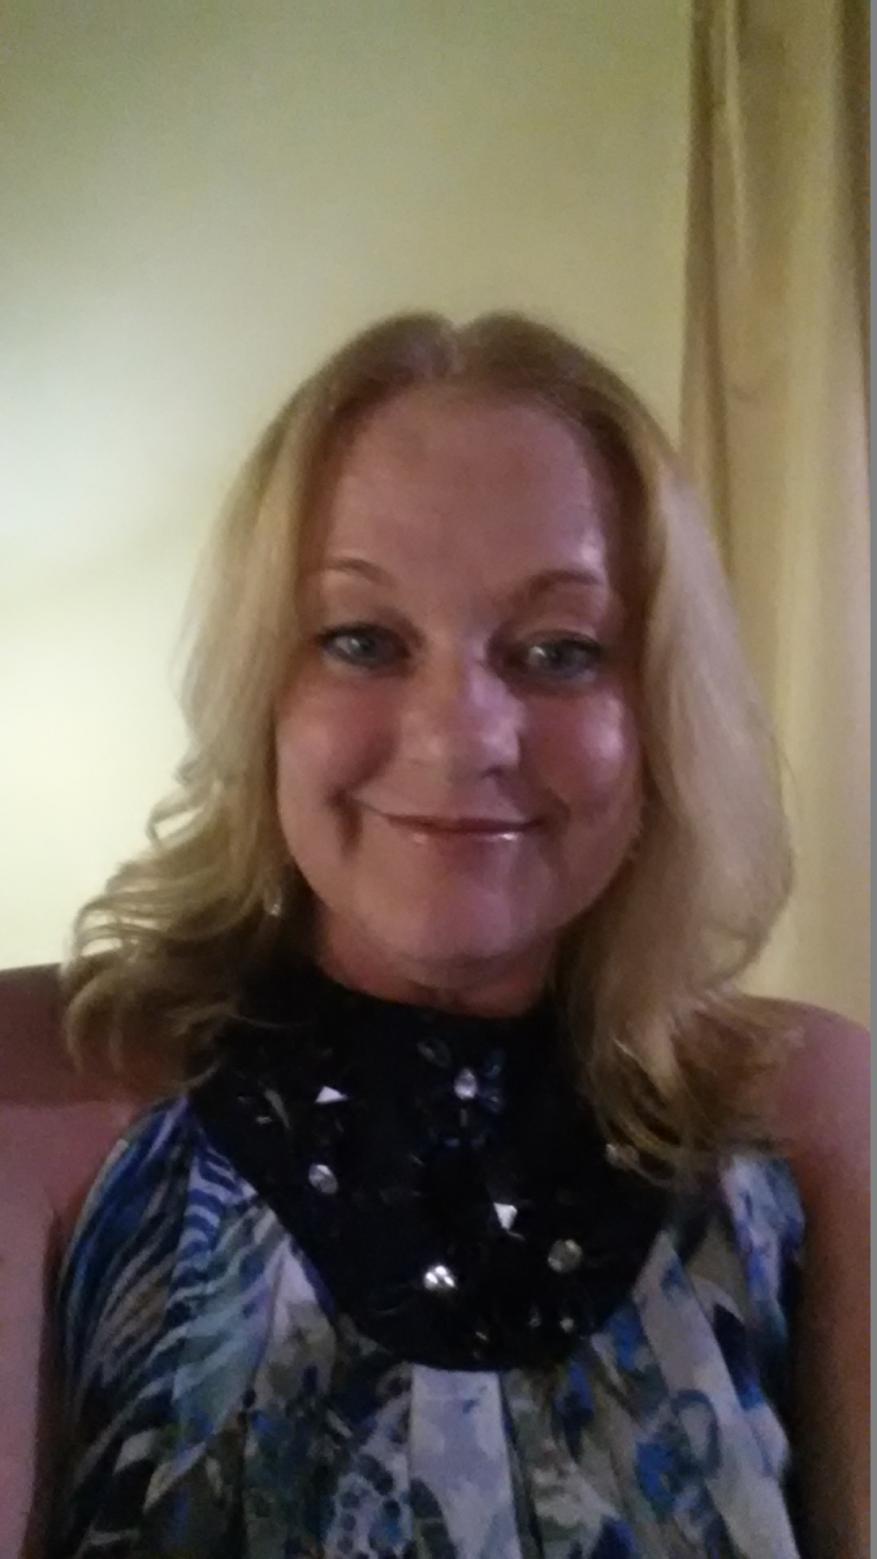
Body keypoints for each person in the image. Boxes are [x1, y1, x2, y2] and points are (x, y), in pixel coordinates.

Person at [1, 312, 867, 1557]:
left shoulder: (813, 1116)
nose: (461, 737)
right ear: (261, 696)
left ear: (659, 713)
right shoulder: (41, 1091)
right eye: (361, 640)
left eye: (558, 651)